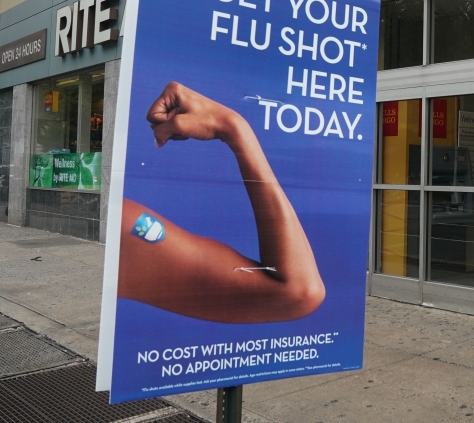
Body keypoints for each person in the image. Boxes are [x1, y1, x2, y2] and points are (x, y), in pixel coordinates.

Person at [117, 82, 326, 324]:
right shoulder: (123, 225)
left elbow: (299, 291)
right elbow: (298, 291)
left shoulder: (124, 227)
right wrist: (232, 127)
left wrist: (232, 126)